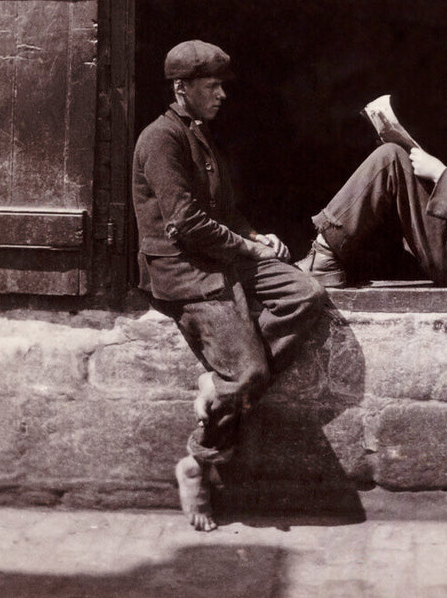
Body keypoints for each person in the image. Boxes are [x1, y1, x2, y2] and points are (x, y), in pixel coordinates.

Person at [132, 40, 325, 531]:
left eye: (221, 85)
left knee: (307, 294)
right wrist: (249, 248)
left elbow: (222, 211)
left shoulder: (202, 135)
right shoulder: (161, 139)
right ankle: (198, 463)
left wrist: (256, 235)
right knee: (250, 376)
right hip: (186, 272)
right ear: (182, 89)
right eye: (211, 86)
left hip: (225, 258)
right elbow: (187, 224)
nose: (222, 95)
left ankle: (218, 382)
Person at [297, 66, 447, 288]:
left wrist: (439, 173)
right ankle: (327, 255)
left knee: (391, 157)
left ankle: (324, 255)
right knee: (395, 157)